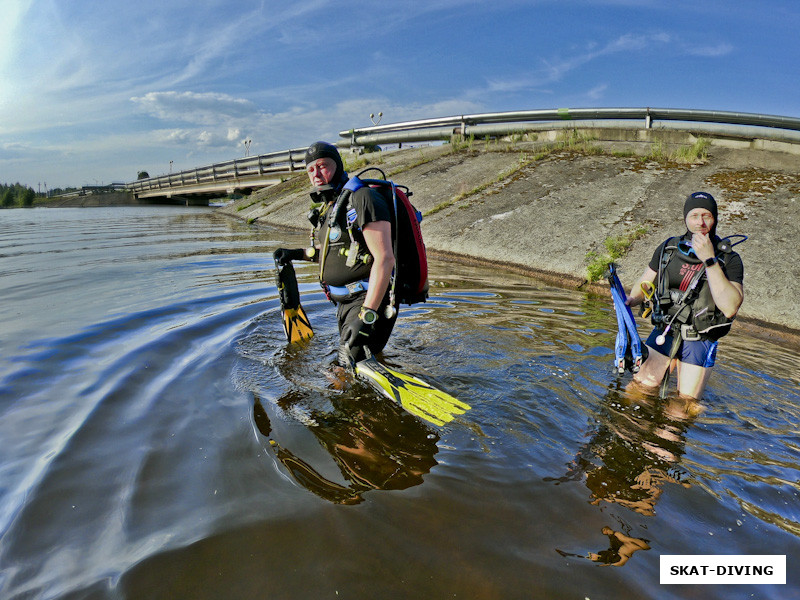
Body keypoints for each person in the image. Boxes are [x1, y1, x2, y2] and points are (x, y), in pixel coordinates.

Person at [274, 141, 397, 364]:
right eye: (311, 169)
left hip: (367, 300)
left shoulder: (362, 198)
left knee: (341, 373)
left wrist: (367, 316)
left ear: (338, 166)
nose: (316, 174)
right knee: (357, 366)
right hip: (344, 304)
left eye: (322, 166)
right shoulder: (332, 206)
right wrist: (296, 254)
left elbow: (385, 258)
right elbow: (335, 252)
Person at [625, 192, 744, 399]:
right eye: (694, 215)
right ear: (685, 218)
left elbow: (730, 307)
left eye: (706, 215)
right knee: (636, 391)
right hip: (666, 330)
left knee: (683, 410)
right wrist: (630, 300)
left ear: (715, 218)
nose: (700, 222)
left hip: (700, 337)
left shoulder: (728, 259)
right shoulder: (669, 248)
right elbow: (645, 283)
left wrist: (709, 259)